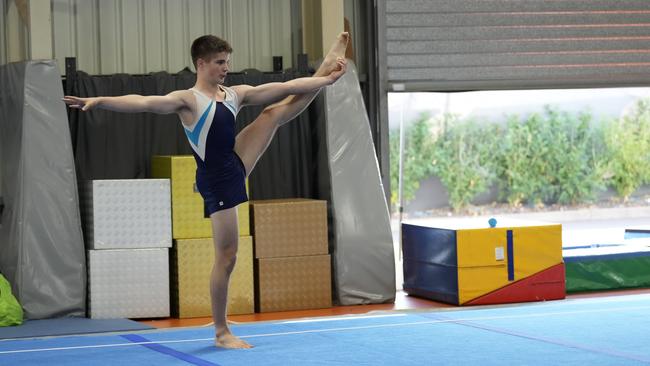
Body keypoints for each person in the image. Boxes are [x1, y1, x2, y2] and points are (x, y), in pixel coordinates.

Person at [64, 32, 349, 349]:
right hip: (218, 180)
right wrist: (101, 100)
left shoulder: (233, 94)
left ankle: (324, 70)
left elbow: (284, 88)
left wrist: (326, 81)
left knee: (274, 113)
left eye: (227, 61)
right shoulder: (188, 100)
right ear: (201, 64)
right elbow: (143, 103)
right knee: (227, 257)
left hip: (233, 160)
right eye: (219, 62)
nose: (226, 68)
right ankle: (221, 331)